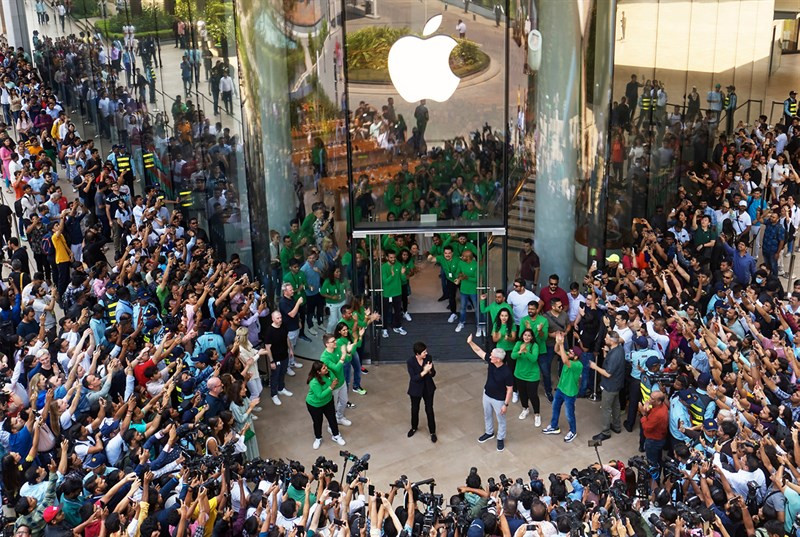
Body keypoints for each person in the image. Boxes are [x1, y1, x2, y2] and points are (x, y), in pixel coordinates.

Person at [466, 333, 514, 452]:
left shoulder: (507, 372)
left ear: (498, 359)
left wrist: (505, 405)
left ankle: (500, 438)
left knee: (501, 420)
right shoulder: (492, 362)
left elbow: (509, 389)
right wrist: (470, 342)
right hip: (487, 394)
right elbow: (479, 351)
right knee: (487, 415)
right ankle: (489, 432)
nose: (489, 356)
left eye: (492, 356)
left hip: (499, 400)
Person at [542, 332, 582, 442]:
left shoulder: (577, 365)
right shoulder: (569, 357)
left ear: (576, 357)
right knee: (555, 408)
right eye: (569, 351)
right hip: (560, 389)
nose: (569, 352)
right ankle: (554, 426)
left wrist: (561, 344)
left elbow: (564, 360)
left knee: (569, 414)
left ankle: (573, 431)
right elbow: (556, 351)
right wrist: (558, 343)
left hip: (570, 393)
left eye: (571, 352)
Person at [590, 331, 626, 442]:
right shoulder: (619, 349)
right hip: (617, 384)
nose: (605, 339)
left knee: (606, 408)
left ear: (612, 341)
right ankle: (616, 426)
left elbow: (608, 373)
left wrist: (595, 367)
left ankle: (605, 432)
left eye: (606, 338)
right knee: (616, 405)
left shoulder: (615, 355)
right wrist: (606, 353)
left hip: (610, 386)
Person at [305, 361, 346, 450]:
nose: (326, 368)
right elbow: (320, 395)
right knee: (317, 421)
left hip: (328, 401)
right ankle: (318, 438)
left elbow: (335, 381)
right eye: (324, 368)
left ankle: (336, 435)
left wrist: (332, 385)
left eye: (325, 366)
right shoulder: (314, 382)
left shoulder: (329, 373)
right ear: (318, 372)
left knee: (332, 418)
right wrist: (331, 387)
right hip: (315, 405)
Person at [407, 341, 437, 443]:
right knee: (415, 409)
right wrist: (424, 371)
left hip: (428, 388)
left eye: (426, 351)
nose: (426, 353)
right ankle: (414, 427)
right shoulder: (410, 362)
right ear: (417, 354)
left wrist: (429, 371)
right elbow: (414, 378)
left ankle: (432, 432)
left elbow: (433, 374)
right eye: (424, 352)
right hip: (416, 389)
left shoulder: (429, 358)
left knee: (429, 409)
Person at [263, 311, 294, 406]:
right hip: (276, 358)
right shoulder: (270, 331)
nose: (280, 319)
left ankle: (281, 388)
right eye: (277, 318)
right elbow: (267, 347)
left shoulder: (283, 326)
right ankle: (274, 394)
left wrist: (291, 350)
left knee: (283, 372)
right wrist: (271, 361)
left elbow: (286, 338)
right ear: (273, 319)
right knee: (275, 376)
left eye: (280, 317)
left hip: (284, 355)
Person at [381, 251, 407, 338]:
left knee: (397, 311)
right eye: (391, 257)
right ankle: (384, 328)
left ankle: (398, 326)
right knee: (385, 312)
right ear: (387, 257)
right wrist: (392, 275)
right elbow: (385, 282)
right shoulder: (384, 267)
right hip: (387, 294)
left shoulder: (398, 265)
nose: (393, 259)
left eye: (394, 257)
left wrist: (403, 274)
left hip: (397, 293)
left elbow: (403, 280)